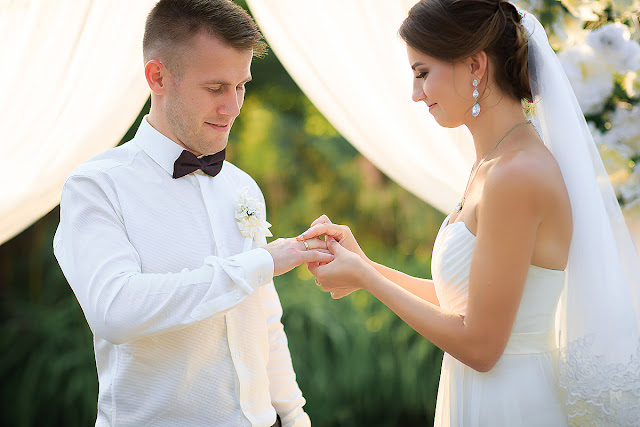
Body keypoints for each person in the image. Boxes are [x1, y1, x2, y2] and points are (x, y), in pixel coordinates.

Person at [298, 0, 640, 426]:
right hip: (484, 393)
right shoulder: (494, 164)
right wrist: (366, 267)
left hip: (512, 403)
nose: (415, 93)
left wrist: (367, 278)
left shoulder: (517, 175)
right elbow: (462, 304)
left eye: (423, 73)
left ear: (476, 65)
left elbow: (481, 346)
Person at [53, 1, 332, 425]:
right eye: (216, 88)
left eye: (241, 86)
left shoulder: (242, 186)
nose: (234, 106)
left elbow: (264, 319)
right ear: (158, 77)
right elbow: (116, 311)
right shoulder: (96, 187)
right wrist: (261, 262)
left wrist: (294, 416)